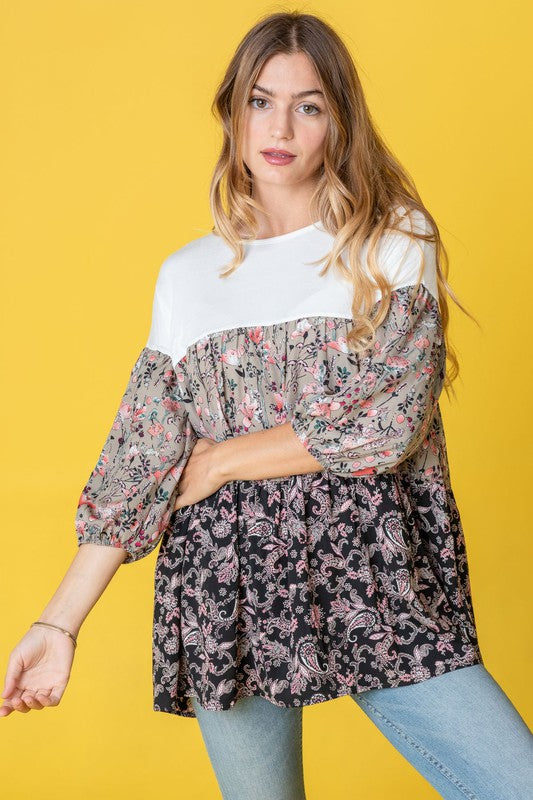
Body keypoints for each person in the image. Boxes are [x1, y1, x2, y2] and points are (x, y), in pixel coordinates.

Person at [2, 10, 532, 800]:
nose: (279, 125)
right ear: (232, 111)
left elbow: (385, 422)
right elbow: (139, 463)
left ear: (337, 122)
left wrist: (220, 458)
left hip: (373, 577)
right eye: (260, 100)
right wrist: (57, 625)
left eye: (308, 105)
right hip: (226, 583)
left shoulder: (391, 242)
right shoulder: (188, 276)